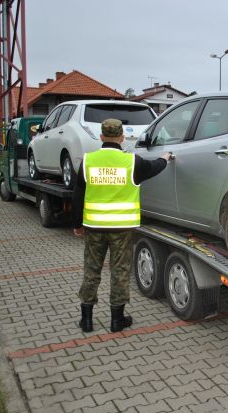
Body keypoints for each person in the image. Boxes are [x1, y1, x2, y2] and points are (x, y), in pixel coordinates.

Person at [72, 118, 172, 333]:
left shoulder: (88, 161)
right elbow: (156, 167)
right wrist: (166, 157)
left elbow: (77, 196)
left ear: (101, 137)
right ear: (121, 137)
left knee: (92, 270)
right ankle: (117, 320)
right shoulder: (133, 162)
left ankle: (86, 320)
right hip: (121, 229)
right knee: (120, 272)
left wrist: (77, 224)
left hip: (94, 227)